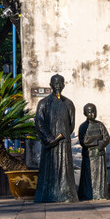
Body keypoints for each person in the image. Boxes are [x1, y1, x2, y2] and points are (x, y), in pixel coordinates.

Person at [34, 74, 79, 203]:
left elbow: (71, 124)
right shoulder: (44, 103)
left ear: (64, 85)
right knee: (49, 170)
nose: (58, 85)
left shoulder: (68, 103)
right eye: (55, 83)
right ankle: (48, 195)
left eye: (60, 83)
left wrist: (63, 135)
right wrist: (49, 139)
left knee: (65, 171)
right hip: (50, 144)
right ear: (51, 85)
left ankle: (67, 195)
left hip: (64, 143)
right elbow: (39, 122)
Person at [77, 103, 110, 201]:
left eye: (94, 112)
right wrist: (97, 139)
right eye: (90, 112)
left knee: (99, 177)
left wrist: (100, 144)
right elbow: (83, 142)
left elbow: (107, 137)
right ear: (85, 113)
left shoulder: (100, 125)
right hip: (88, 156)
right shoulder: (83, 127)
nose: (92, 114)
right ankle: (88, 195)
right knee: (89, 177)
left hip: (99, 155)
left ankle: (100, 194)